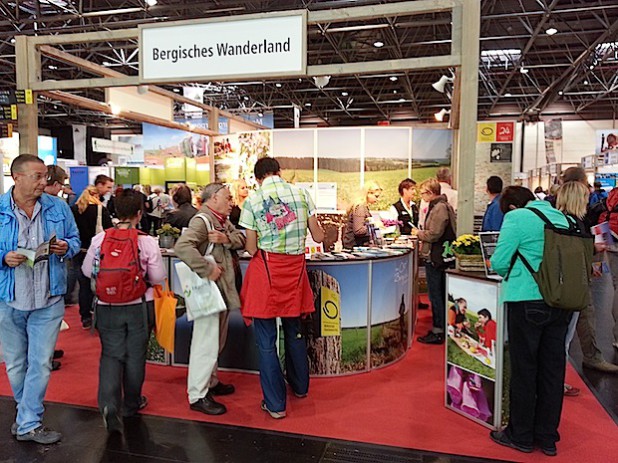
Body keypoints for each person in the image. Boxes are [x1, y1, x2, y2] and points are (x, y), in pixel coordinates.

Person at [489, 185, 584, 457]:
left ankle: (521, 435)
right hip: (561, 302)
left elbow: (499, 262)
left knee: (525, 368)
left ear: (511, 206)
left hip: (527, 301)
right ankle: (548, 436)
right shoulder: (563, 217)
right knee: (552, 371)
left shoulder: (517, 218)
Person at [0, 154, 80, 444]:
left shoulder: (57, 206)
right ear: (17, 177)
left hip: (48, 298)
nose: (44, 182)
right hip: (8, 298)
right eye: (37, 176)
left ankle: (29, 422)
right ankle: (25, 418)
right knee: (16, 364)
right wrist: (3, 257)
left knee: (41, 362)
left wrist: (64, 248)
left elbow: (75, 239)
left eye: (45, 176)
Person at [239, 157, 324, 419]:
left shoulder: (252, 201)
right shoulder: (301, 193)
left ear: (257, 178)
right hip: (296, 272)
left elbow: (251, 248)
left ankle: (275, 405)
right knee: (294, 332)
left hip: (267, 272)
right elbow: (319, 236)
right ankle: (300, 387)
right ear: (279, 172)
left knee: (266, 341)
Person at [82, 189, 166, 433]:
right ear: (140, 213)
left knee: (110, 354)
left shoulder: (100, 239)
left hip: (107, 307)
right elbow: (158, 277)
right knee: (135, 355)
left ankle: (108, 404)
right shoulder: (146, 241)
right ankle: (131, 403)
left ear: (115, 211)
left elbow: (88, 271)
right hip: (139, 306)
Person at [175, 183, 246, 415]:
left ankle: (210, 381)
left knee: (215, 340)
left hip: (220, 291)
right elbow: (182, 247)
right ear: (214, 198)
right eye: (227, 197)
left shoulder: (220, 221)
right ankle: (198, 394)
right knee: (205, 342)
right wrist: (207, 268)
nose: (231, 201)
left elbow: (240, 238)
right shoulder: (202, 221)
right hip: (210, 290)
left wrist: (226, 238)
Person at [412, 178, 456, 345]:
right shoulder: (443, 206)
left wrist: (418, 233)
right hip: (440, 256)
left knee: (436, 294)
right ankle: (442, 327)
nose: (421, 196)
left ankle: (439, 330)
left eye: (423, 193)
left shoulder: (438, 208)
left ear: (431, 193)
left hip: (436, 258)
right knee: (439, 293)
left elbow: (434, 233)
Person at [71, 185, 113, 329]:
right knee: (99, 283)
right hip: (96, 252)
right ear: (96, 195)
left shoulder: (74, 209)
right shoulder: (100, 209)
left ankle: (85, 317)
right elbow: (108, 230)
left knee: (83, 285)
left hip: (78, 251)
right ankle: (99, 313)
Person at [342, 181, 382, 248]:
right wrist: (375, 226)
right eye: (376, 196)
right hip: (354, 246)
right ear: (368, 194)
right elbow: (358, 230)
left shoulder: (362, 206)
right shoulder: (360, 207)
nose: (377, 199)